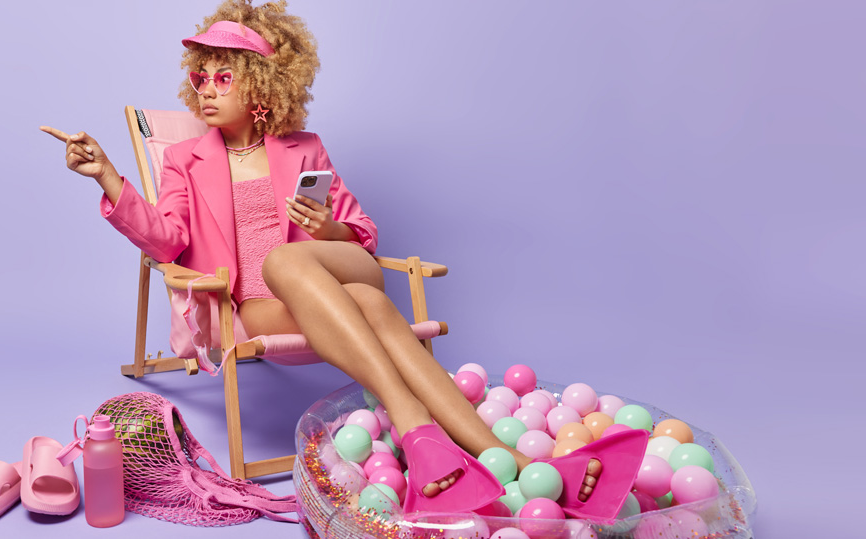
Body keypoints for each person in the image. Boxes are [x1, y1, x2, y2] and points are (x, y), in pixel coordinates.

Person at [41, 0, 627, 517]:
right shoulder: (184, 161)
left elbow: (364, 235)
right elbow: (167, 242)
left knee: (290, 262)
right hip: (268, 306)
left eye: (224, 77)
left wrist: (327, 228)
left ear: (262, 87)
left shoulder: (305, 149)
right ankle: (505, 457)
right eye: (201, 77)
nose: (207, 89)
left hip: (341, 266)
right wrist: (109, 176)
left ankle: (414, 426)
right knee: (358, 297)